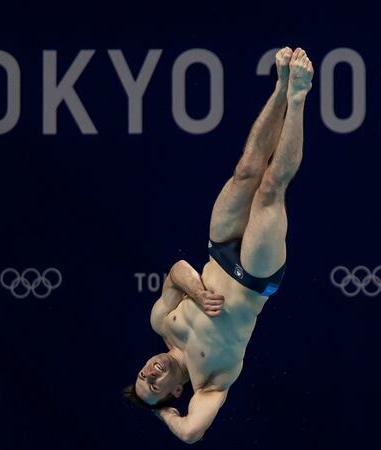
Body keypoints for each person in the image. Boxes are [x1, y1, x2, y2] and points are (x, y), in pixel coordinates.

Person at [124, 47, 314, 444]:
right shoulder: (211, 383)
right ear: (175, 393)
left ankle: (280, 88)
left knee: (246, 169)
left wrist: (195, 290)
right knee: (269, 191)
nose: (150, 373)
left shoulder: (161, 323)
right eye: (154, 385)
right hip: (254, 279)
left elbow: (177, 271)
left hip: (219, 251)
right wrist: (163, 416)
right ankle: (298, 96)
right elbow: (191, 433)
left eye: (142, 375)